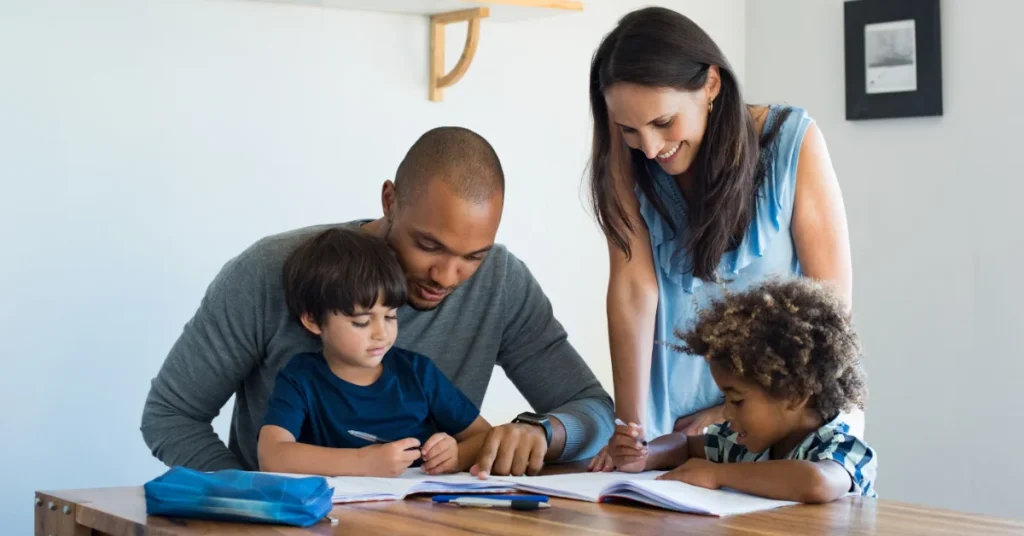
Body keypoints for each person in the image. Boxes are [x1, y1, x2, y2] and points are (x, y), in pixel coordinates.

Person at [141, 126, 614, 477]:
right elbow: (171, 416)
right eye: (429, 246)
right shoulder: (270, 271)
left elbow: (592, 409)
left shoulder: (501, 282)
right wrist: (253, 500)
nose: (447, 277)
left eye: (473, 256)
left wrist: (543, 432)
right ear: (390, 200)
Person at [584, 7, 856, 471]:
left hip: (781, 425)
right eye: (629, 129)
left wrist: (726, 413)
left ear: (711, 84)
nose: (649, 147)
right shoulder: (627, 163)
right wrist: (630, 430)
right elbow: (633, 292)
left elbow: (828, 310)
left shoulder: (793, 143)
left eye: (663, 123)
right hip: (668, 431)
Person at [607, 278, 877, 503]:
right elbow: (684, 445)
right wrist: (644, 456)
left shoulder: (840, 445)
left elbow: (815, 482)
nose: (725, 413)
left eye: (737, 401)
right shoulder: (744, 443)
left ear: (794, 395)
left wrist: (717, 475)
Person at [257, 227, 491, 477]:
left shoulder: (418, 374)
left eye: (390, 316)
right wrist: (363, 462)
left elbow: (485, 436)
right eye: (361, 322)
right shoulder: (300, 378)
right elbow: (272, 455)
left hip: (418, 510)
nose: (381, 334)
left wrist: (457, 455)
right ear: (313, 321)